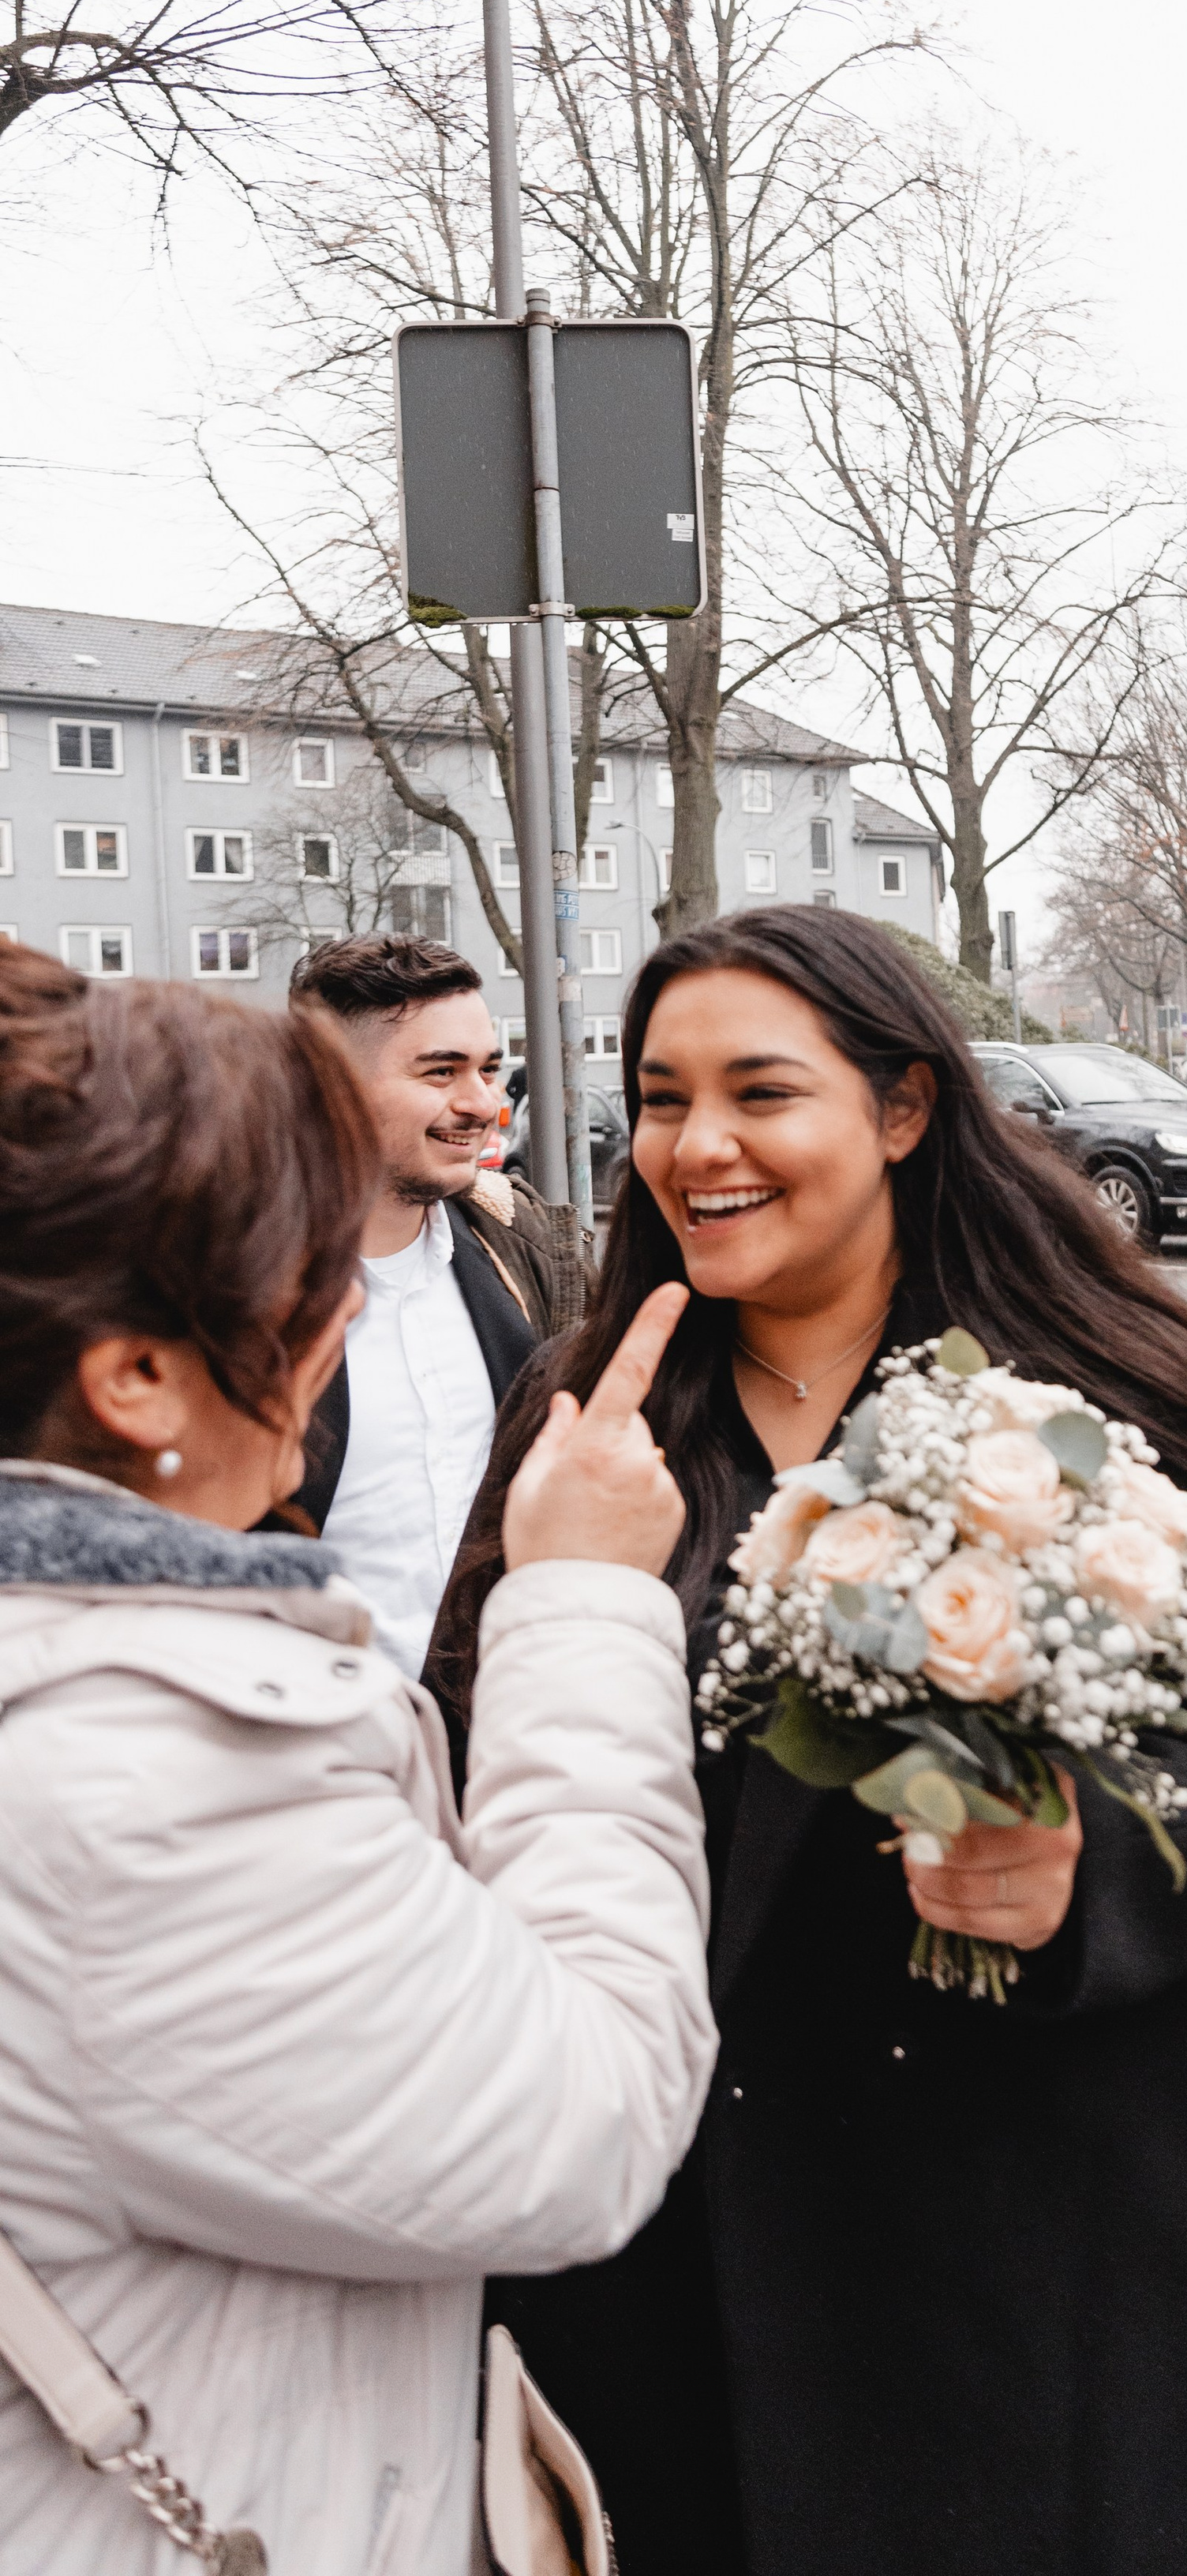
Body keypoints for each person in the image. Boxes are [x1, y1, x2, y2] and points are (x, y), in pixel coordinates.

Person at [427, 905, 1187, 2576]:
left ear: (904, 1107)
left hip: (1054, 2216)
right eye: (657, 1098)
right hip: (687, 2235)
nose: (695, 1146)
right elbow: (480, 1755)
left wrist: (1084, 1870)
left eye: (758, 1093)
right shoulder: (595, 1417)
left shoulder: (1096, 1393)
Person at [0, 939, 715, 2571]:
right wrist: (583, 1604)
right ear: (132, 1375)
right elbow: (585, 2120)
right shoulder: (142, 1783)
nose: (338, 1306)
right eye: (299, 1261)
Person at [276, 932, 592, 1674]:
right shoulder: (229, 1287)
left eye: (488, 1069)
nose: (483, 1105)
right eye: (441, 1071)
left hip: (504, 1731)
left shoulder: (530, 1249)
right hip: (311, 1750)